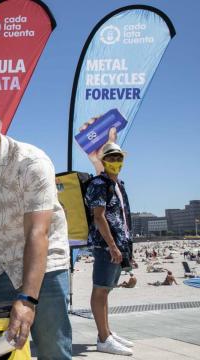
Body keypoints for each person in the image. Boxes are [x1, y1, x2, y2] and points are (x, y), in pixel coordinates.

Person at [0, 100, 72, 359]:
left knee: (53, 349)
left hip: (45, 265)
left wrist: (28, 300)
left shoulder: (31, 162)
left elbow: (37, 232)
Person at [85, 142, 134, 356]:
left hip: (118, 245)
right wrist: (112, 246)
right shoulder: (99, 183)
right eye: (111, 158)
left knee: (106, 290)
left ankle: (107, 333)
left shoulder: (118, 183)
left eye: (118, 158)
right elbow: (99, 216)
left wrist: (124, 247)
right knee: (100, 289)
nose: (115, 161)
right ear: (103, 161)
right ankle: (104, 338)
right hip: (105, 246)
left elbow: (122, 218)